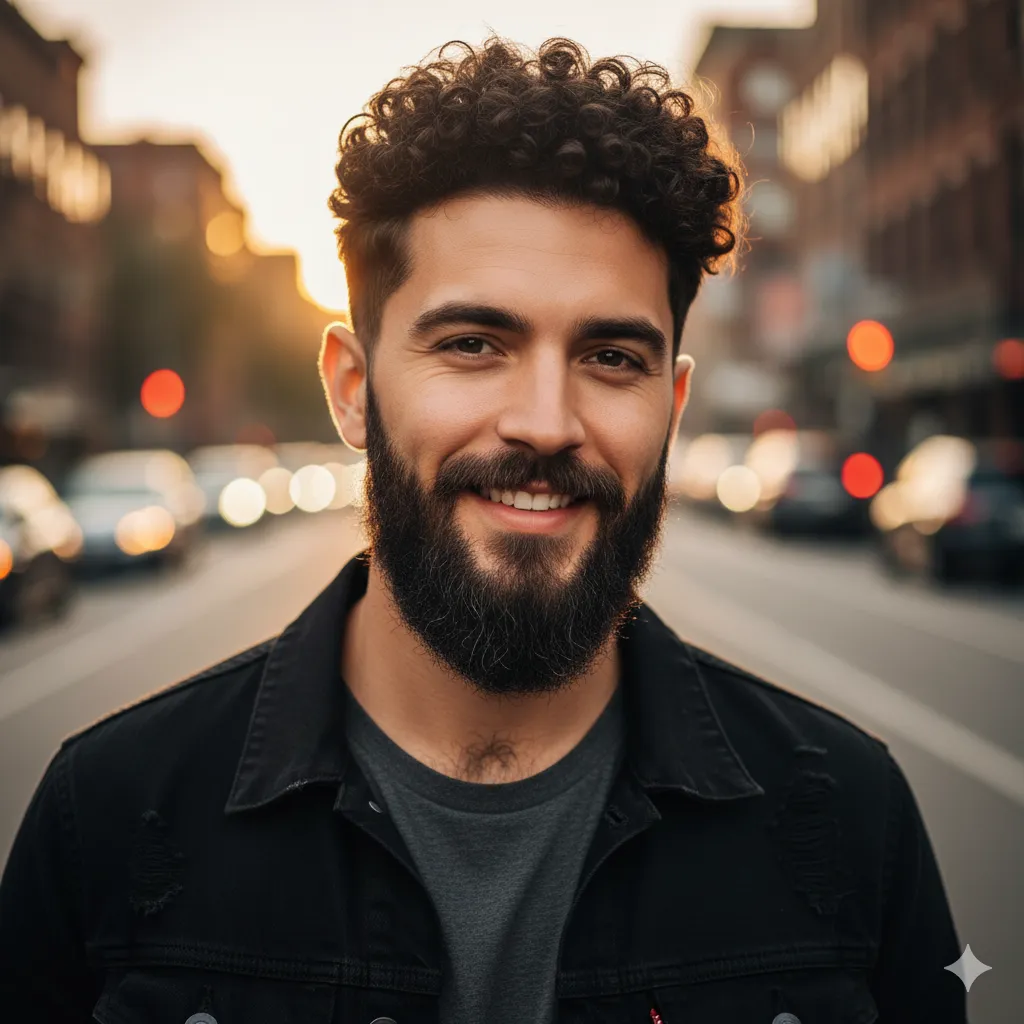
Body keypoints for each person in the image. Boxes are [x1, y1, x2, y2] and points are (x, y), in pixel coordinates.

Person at [0, 37, 965, 1024]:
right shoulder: (109, 818)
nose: (544, 421)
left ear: (672, 405)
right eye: (473, 344)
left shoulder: (850, 820)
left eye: (610, 356)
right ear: (351, 387)